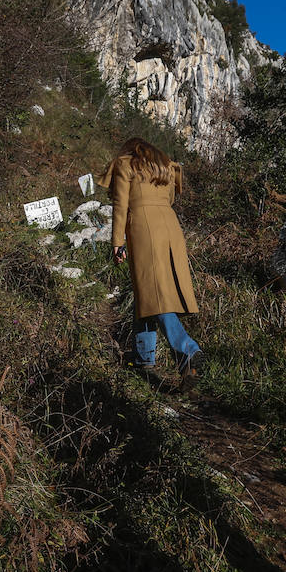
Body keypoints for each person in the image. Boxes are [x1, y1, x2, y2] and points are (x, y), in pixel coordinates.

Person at [99, 137, 205, 386]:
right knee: (146, 288)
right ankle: (143, 356)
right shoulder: (165, 165)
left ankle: (187, 348)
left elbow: (120, 204)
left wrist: (117, 241)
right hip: (170, 226)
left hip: (144, 228)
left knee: (153, 292)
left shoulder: (126, 164)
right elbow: (169, 199)